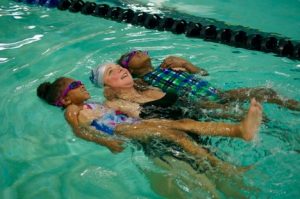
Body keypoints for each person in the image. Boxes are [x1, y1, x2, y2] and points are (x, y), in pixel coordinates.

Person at [36, 77, 262, 171]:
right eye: (75, 84)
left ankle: (238, 130)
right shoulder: (72, 110)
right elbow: (79, 132)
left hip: (131, 122)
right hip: (122, 129)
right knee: (176, 135)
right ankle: (221, 163)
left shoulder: (92, 102)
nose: (81, 85)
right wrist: (107, 143)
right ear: (64, 99)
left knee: (183, 124)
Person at [117, 50, 300, 111]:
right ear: (129, 69)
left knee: (266, 92)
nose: (137, 51)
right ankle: (287, 137)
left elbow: (204, 74)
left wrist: (188, 65)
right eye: (131, 55)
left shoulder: (170, 66)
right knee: (251, 114)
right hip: (201, 103)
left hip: (216, 93)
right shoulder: (139, 82)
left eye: (138, 50)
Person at [90, 63, 245, 121]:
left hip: (198, 116)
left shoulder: (144, 84)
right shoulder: (115, 103)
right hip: (178, 136)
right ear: (106, 86)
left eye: (118, 67)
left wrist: (183, 68)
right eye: (111, 72)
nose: (120, 69)